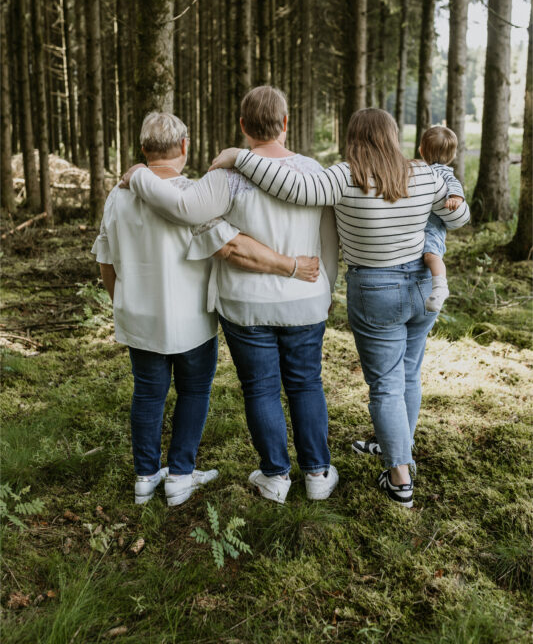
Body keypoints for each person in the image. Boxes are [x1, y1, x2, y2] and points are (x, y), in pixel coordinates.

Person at [210, 108, 470, 508]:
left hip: (377, 289)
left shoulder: (343, 176)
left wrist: (240, 157)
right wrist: (455, 200)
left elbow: (292, 186)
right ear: (393, 134)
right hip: (422, 285)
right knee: (408, 373)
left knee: (385, 384)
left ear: (353, 137)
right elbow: (458, 219)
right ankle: (399, 450)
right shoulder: (423, 174)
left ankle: (399, 477)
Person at [121, 87, 339, 504]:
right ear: (286, 123)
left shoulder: (226, 176)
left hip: (245, 304)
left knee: (260, 388)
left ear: (242, 126)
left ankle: (275, 477)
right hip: (306, 297)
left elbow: (182, 208)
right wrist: (327, 283)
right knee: (306, 383)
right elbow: (329, 237)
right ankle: (317, 473)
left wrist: (142, 176)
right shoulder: (314, 173)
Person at [419, 126, 465, 313]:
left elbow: (454, 183)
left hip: (433, 226)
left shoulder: (441, 170)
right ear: (453, 155)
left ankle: (440, 287)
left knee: (431, 255)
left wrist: (455, 198)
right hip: (422, 224)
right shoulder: (425, 169)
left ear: (421, 150)